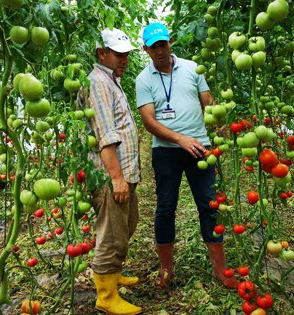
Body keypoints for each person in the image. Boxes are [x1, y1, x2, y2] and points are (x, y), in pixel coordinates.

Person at [135, 22, 239, 290]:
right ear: (146, 49)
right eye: (153, 46)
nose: (159, 50)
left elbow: (207, 100)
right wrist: (180, 138)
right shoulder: (143, 79)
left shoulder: (193, 68)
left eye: (163, 44)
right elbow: (148, 121)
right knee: (165, 208)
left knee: (209, 205)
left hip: (201, 148)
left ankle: (220, 269)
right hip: (166, 152)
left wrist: (218, 123)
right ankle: (166, 271)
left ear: (170, 42)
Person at [78, 27, 141, 315]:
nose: (124, 59)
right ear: (101, 54)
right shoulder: (98, 83)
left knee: (126, 225)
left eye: (126, 54)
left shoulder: (110, 80)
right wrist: (116, 178)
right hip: (110, 174)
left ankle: (112, 276)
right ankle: (105, 295)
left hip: (123, 171)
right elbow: (105, 133)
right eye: (118, 54)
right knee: (113, 234)